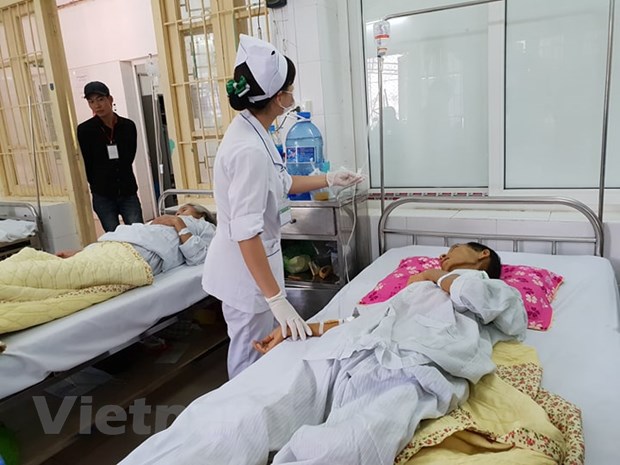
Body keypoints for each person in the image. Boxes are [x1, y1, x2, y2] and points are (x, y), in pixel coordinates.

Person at [119, 243, 527, 465]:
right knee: (241, 417)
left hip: (410, 366)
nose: (442, 256)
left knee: (349, 443)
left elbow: (504, 317)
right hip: (345, 349)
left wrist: (439, 275)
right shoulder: (415, 286)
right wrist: (299, 329)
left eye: (453, 250)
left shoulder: (492, 288)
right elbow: (364, 318)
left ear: (482, 256)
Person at [202, 34, 364, 379]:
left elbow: (283, 181)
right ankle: (239, 411)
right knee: (249, 359)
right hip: (246, 277)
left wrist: (329, 178)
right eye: (290, 89)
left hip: (256, 270)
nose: (292, 95)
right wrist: (276, 299)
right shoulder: (248, 150)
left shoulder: (256, 132)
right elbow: (246, 234)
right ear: (278, 98)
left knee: (262, 354)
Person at [58, 203, 216, 275]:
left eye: (185, 209)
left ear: (201, 214)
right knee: (106, 249)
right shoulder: (165, 220)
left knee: (102, 265)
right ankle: (84, 254)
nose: (178, 213)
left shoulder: (205, 226)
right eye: (177, 212)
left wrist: (178, 222)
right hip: (130, 239)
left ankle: (79, 261)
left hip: (151, 250)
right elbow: (137, 232)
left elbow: (198, 256)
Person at [77, 81, 144, 232]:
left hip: (127, 190)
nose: (97, 105)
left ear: (110, 99)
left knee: (138, 232)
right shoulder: (85, 130)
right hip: (103, 194)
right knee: (113, 236)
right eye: (91, 101)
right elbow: (88, 161)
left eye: (100, 99)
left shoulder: (128, 126)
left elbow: (129, 156)